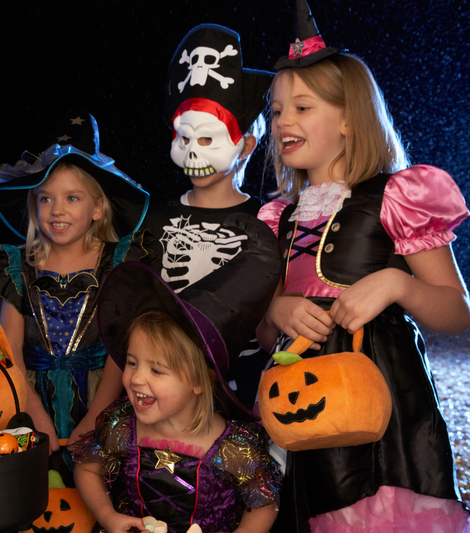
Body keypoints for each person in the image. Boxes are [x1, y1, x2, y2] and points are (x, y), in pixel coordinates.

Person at [256, 1, 470, 531]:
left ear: (350, 118)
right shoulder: (279, 218)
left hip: (388, 407)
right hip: (305, 405)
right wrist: (277, 312)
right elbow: (264, 337)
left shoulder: (398, 196)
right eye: (277, 109)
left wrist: (398, 283)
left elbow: (457, 311)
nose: (284, 121)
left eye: (303, 107)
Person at [0, 111, 152, 484]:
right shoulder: (17, 266)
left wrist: (97, 416)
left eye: (72, 198)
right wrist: (32, 411)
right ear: (33, 205)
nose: (57, 210)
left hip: (102, 398)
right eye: (46, 199)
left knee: (98, 495)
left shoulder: (118, 264)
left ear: (97, 208)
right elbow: (7, 350)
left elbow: (120, 347)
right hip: (28, 397)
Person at [73, 262, 281, 533]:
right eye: (132, 363)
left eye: (157, 370)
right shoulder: (122, 427)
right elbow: (87, 470)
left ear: (198, 381)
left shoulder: (235, 449)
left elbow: (265, 505)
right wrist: (107, 515)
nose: (135, 378)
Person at [142, 24, 283, 411]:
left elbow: (272, 327)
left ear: (245, 146)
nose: (192, 153)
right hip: (164, 395)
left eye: (207, 140)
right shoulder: (154, 219)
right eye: (183, 139)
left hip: (245, 395)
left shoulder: (268, 221)